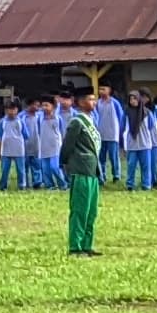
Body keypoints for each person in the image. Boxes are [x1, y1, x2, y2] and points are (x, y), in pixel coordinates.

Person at [59, 87, 104, 255]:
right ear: (81, 102)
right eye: (90, 99)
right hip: (81, 169)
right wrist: (65, 164)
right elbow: (67, 146)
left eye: (94, 99)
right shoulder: (76, 122)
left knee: (91, 211)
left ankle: (87, 244)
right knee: (80, 210)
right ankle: (75, 246)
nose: (94, 102)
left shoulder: (92, 120)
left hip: (92, 170)